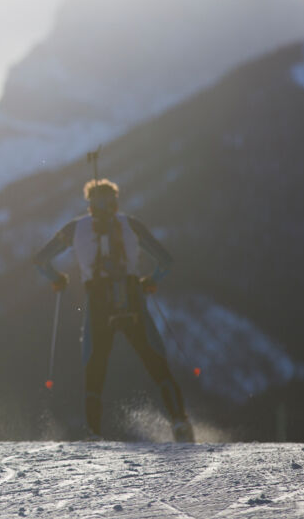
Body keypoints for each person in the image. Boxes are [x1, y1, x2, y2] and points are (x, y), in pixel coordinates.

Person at [33, 178, 194, 443]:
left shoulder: (74, 229)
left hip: (97, 303)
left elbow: (41, 260)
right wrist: (151, 281)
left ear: (89, 203)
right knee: (157, 364)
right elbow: (165, 260)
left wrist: (57, 279)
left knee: (94, 371)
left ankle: (94, 433)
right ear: (115, 200)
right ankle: (179, 422)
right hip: (132, 298)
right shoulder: (132, 225)